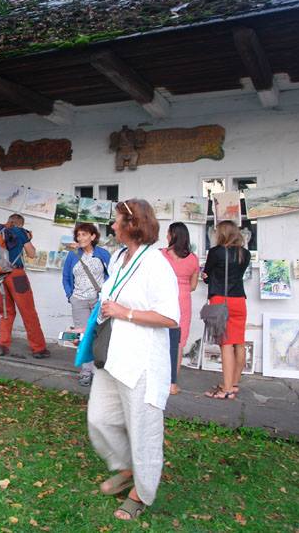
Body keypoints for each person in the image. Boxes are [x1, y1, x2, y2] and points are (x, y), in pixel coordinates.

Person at [86, 199, 179, 521]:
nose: (112, 226)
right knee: (99, 418)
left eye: (116, 221)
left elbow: (170, 317)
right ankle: (127, 468)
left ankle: (141, 492)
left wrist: (125, 312)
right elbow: (108, 300)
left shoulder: (156, 264)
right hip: (112, 355)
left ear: (132, 225)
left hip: (141, 360)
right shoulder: (118, 257)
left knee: (143, 429)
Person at [0, 214, 50, 359]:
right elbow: (31, 254)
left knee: (6, 312)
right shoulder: (20, 231)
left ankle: (2, 345)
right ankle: (39, 348)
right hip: (16, 276)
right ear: (20, 224)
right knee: (28, 312)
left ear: (8, 221)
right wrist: (27, 240)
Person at [202, 220, 251, 400]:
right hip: (239, 300)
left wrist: (206, 276)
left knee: (226, 344)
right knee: (239, 342)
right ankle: (233, 383)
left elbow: (207, 276)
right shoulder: (245, 254)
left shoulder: (216, 252)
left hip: (221, 301)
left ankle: (227, 389)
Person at [62, 222, 111, 385]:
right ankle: (86, 371)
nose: (80, 238)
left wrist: (106, 295)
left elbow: (111, 275)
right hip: (79, 300)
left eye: (84, 234)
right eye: (78, 235)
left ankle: (99, 371)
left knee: (99, 336)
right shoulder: (73, 255)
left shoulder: (102, 254)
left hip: (98, 301)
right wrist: (70, 295)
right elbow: (66, 277)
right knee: (82, 336)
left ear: (93, 236)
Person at [161, 222, 200, 395]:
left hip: (163, 299)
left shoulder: (161, 255)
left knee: (159, 339)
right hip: (183, 300)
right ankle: (172, 384)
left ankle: (158, 380)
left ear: (173, 236)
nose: (166, 236)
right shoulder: (193, 259)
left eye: (168, 233)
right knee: (178, 342)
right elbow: (193, 286)